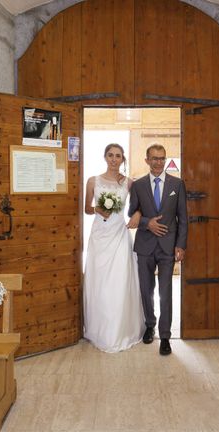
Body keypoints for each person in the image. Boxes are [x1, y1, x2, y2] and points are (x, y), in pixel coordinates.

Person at [83, 144, 145, 352]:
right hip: (100, 236)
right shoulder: (93, 181)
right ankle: (100, 329)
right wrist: (98, 209)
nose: (114, 159)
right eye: (110, 155)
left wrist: (137, 214)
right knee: (100, 282)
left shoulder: (128, 183)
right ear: (104, 157)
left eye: (118, 156)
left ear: (122, 159)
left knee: (119, 280)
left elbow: (140, 205)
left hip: (119, 234)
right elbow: (86, 208)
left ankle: (121, 329)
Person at [128, 144, 188, 355]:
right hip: (144, 245)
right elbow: (131, 213)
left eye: (162, 158)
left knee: (166, 291)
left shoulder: (177, 184)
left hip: (167, 246)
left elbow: (183, 218)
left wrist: (180, 244)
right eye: (154, 158)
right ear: (147, 160)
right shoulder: (138, 185)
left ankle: (165, 336)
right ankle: (150, 325)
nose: (158, 162)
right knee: (146, 289)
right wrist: (147, 222)